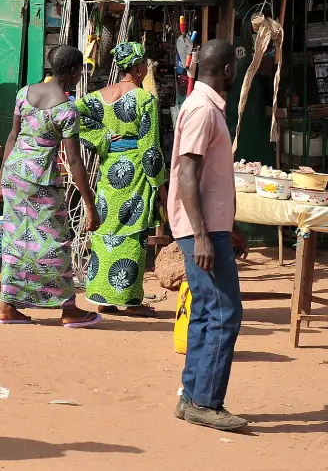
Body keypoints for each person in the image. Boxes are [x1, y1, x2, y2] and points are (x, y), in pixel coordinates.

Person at [0, 45, 102, 327]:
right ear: (75, 73)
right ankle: (69, 309)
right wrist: (89, 204)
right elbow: (74, 161)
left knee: (16, 239)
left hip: (15, 175)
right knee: (55, 242)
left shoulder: (24, 93)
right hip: (41, 179)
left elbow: (12, 137)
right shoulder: (66, 109)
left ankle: (7, 306)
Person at [172, 39, 248, 432]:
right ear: (228, 71)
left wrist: (226, 227)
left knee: (205, 312)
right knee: (224, 313)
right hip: (200, 230)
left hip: (209, 227)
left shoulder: (204, 107)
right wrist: (202, 235)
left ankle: (192, 397)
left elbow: (207, 178)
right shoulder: (203, 109)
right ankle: (206, 402)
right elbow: (187, 174)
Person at [77, 42, 167, 315]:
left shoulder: (97, 96)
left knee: (106, 231)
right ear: (140, 68)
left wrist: (101, 138)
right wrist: (160, 186)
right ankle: (130, 301)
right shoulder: (145, 99)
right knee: (132, 235)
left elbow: (73, 114)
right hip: (136, 174)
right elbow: (150, 149)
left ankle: (103, 298)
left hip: (109, 173)